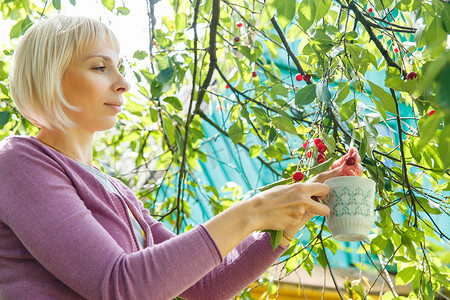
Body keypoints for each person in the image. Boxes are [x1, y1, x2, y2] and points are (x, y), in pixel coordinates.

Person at [0, 15, 363, 300]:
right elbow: (119, 286)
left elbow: (207, 286)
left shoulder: (115, 189)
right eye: (100, 67)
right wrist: (251, 212)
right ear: (50, 77)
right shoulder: (19, 164)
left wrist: (287, 218)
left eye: (119, 66)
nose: (123, 81)